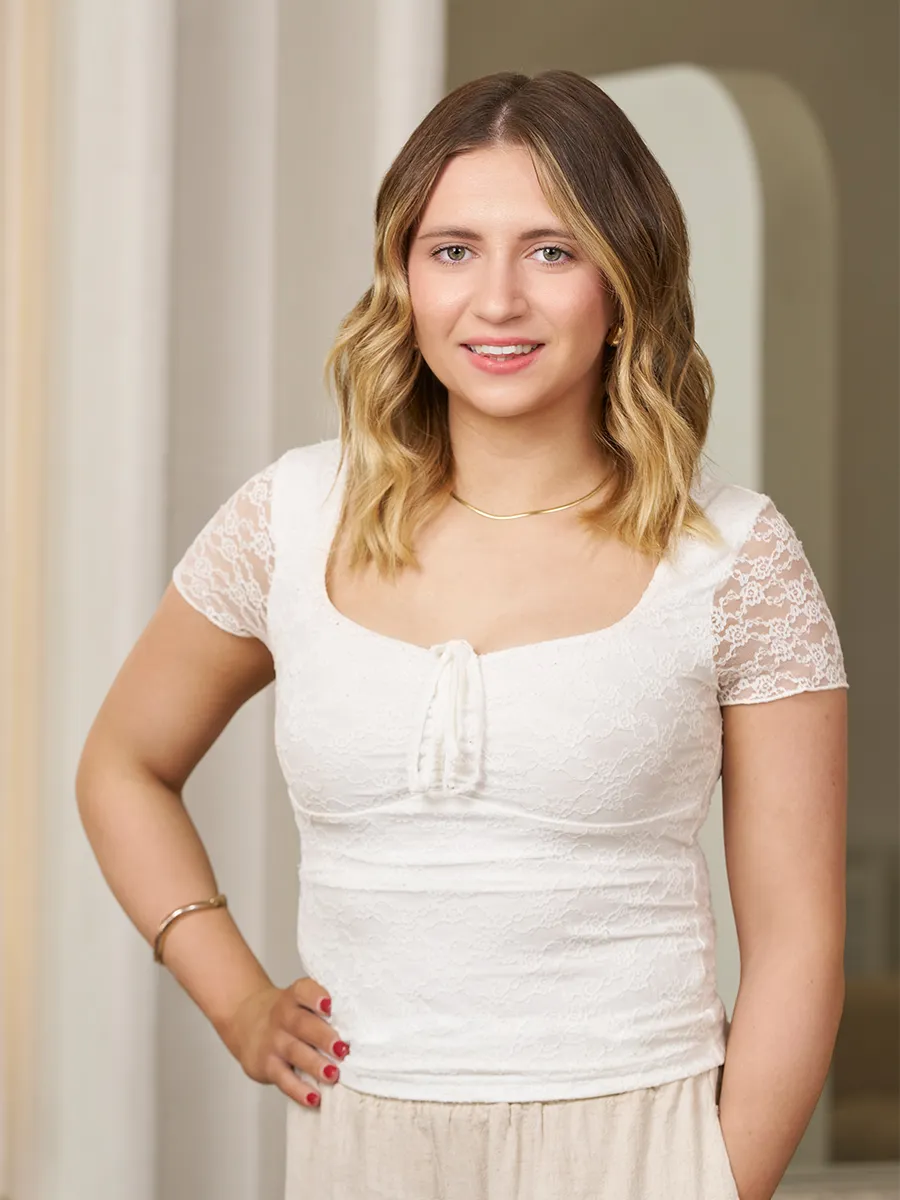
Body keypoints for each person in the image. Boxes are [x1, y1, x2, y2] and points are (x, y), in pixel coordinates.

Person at [76, 69, 850, 1200]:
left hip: (637, 1138)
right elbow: (122, 763)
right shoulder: (289, 520)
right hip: (362, 1141)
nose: (496, 301)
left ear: (623, 279)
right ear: (402, 277)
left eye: (551, 249)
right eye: (452, 250)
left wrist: (719, 1184)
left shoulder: (736, 557)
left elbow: (797, 947)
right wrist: (236, 996)